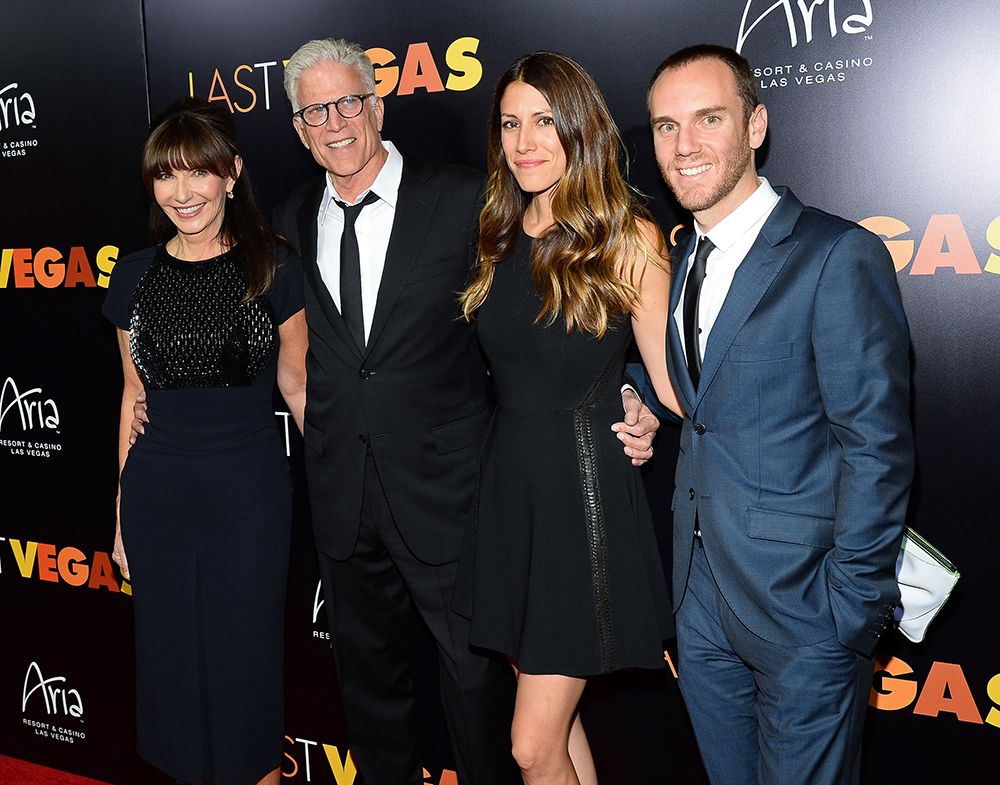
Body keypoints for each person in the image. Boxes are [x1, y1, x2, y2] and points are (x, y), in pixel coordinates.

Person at [267, 38, 661, 785]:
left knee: (486, 698)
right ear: (298, 128)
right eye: (315, 110)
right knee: (370, 691)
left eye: (349, 101)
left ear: (377, 105)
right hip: (342, 494)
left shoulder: (467, 202)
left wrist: (631, 390)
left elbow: (565, 312)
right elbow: (299, 361)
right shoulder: (289, 216)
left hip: (455, 495)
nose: (336, 121)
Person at [631, 44, 913, 785]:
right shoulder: (685, 253)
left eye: (708, 119)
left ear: (755, 125)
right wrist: (636, 390)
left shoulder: (835, 254)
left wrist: (846, 613)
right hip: (699, 605)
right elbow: (708, 397)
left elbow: (877, 448)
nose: (684, 145)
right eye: (665, 126)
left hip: (804, 611)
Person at [455, 51, 680, 785]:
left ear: (579, 127)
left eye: (544, 122)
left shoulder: (627, 236)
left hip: (582, 506)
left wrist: (640, 397)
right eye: (510, 124)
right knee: (560, 725)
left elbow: (677, 384)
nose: (524, 141)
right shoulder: (498, 231)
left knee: (530, 744)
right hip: (512, 494)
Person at [103, 98, 306, 785]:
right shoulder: (131, 275)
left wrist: (347, 494)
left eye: (199, 173)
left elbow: (302, 391)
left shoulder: (273, 267)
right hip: (158, 497)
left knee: (243, 672)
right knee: (173, 676)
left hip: (246, 500)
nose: (182, 192)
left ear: (232, 173)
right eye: (166, 176)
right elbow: (133, 397)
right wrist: (122, 518)